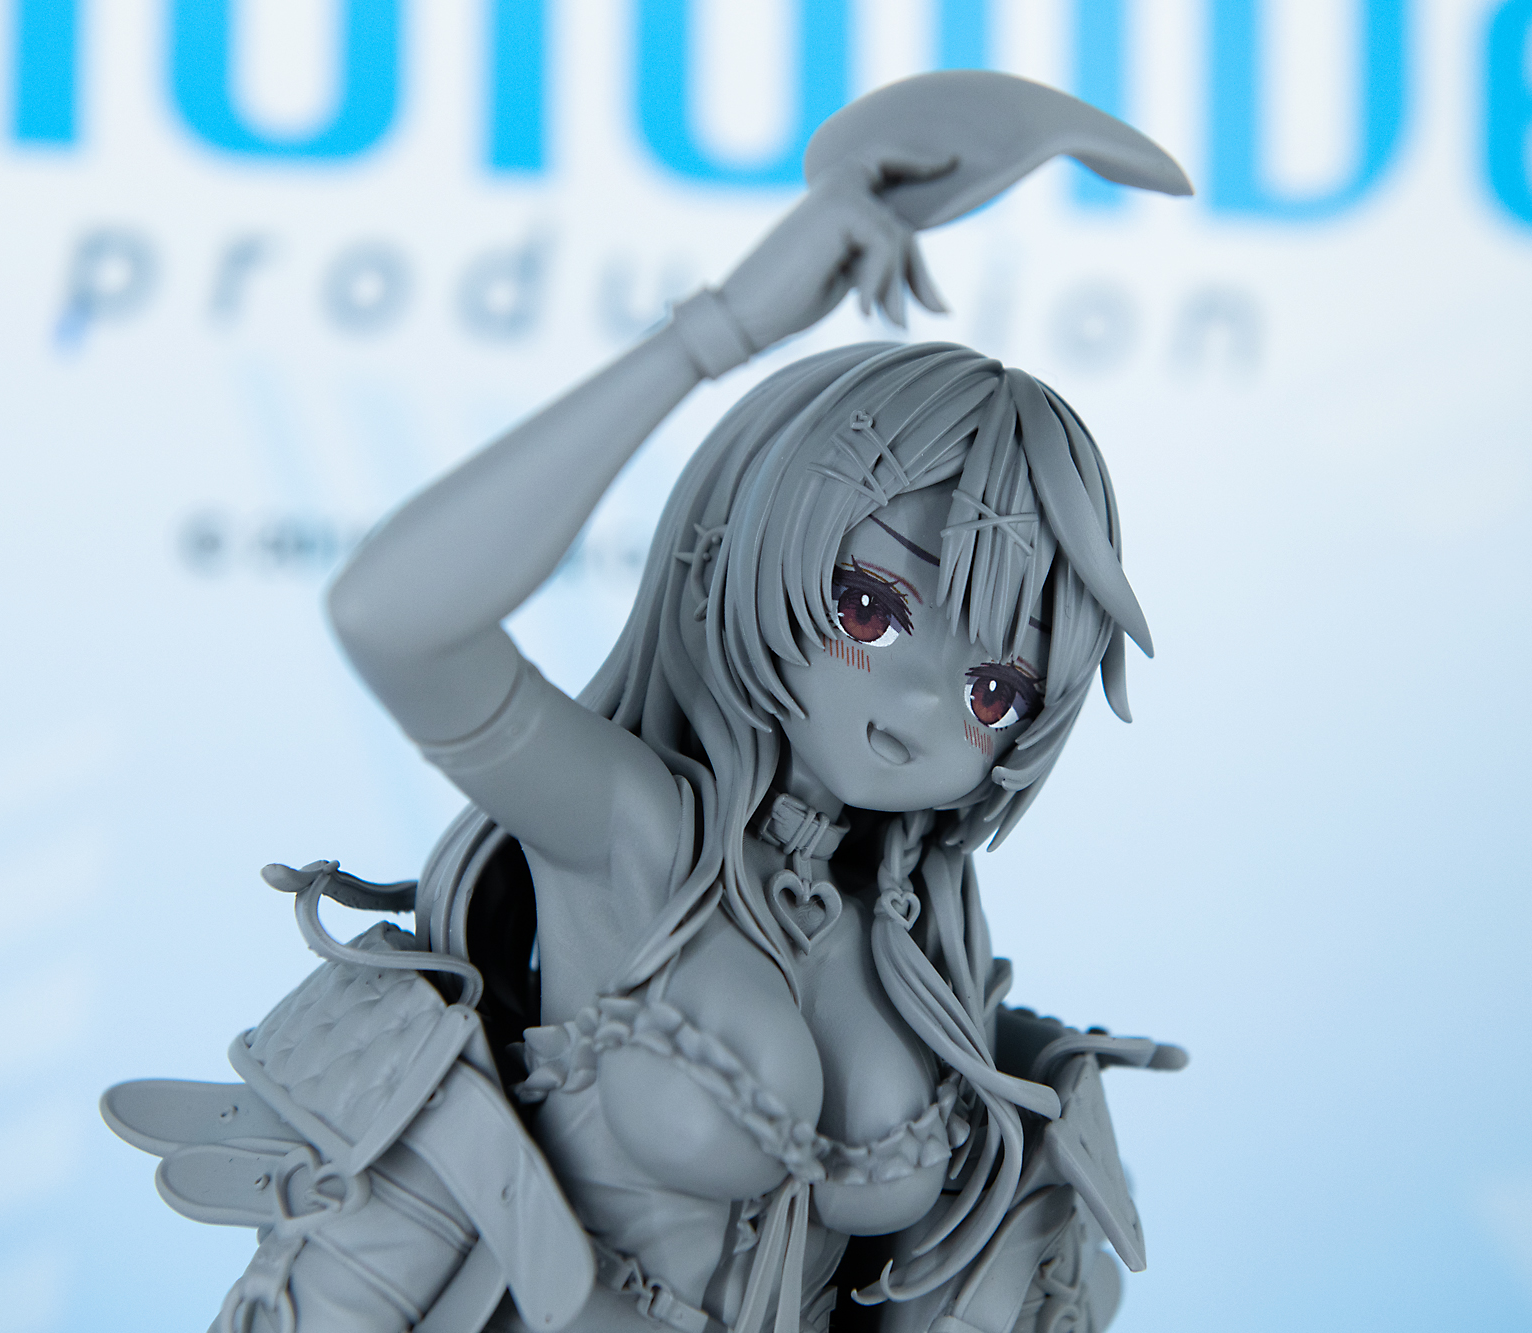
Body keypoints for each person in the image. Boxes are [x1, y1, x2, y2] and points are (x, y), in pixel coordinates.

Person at [104, 74, 1190, 1333]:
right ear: (746, 549)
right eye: (868, 607)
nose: (917, 706)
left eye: (993, 688)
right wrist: (712, 334)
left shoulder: (914, 930)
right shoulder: (634, 832)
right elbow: (394, 619)